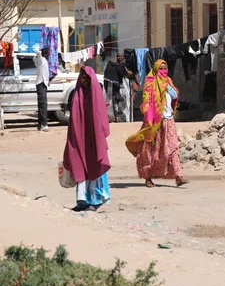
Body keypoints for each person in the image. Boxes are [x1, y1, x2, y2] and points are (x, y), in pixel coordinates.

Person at [125, 59, 188, 188]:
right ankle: (147, 177)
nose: (163, 71)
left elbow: (175, 95)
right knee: (148, 151)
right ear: (155, 69)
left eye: (165, 69)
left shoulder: (168, 81)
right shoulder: (150, 82)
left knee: (172, 148)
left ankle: (178, 176)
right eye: (161, 68)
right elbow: (146, 101)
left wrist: (168, 87)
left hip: (168, 121)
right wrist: (149, 117)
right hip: (154, 122)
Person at [63, 66, 111, 212]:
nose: (84, 80)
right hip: (79, 139)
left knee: (95, 165)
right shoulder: (77, 95)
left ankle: (96, 200)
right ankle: (82, 200)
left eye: (87, 77)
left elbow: (102, 119)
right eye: (82, 77)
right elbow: (74, 120)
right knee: (80, 167)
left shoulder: (96, 96)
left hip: (94, 139)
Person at [33, 48, 50, 132]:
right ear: (44, 53)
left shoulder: (41, 61)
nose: (49, 55)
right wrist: (41, 50)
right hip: (40, 83)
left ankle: (40, 124)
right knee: (43, 105)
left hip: (44, 83)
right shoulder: (41, 59)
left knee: (41, 105)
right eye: (47, 53)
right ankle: (44, 124)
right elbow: (37, 52)